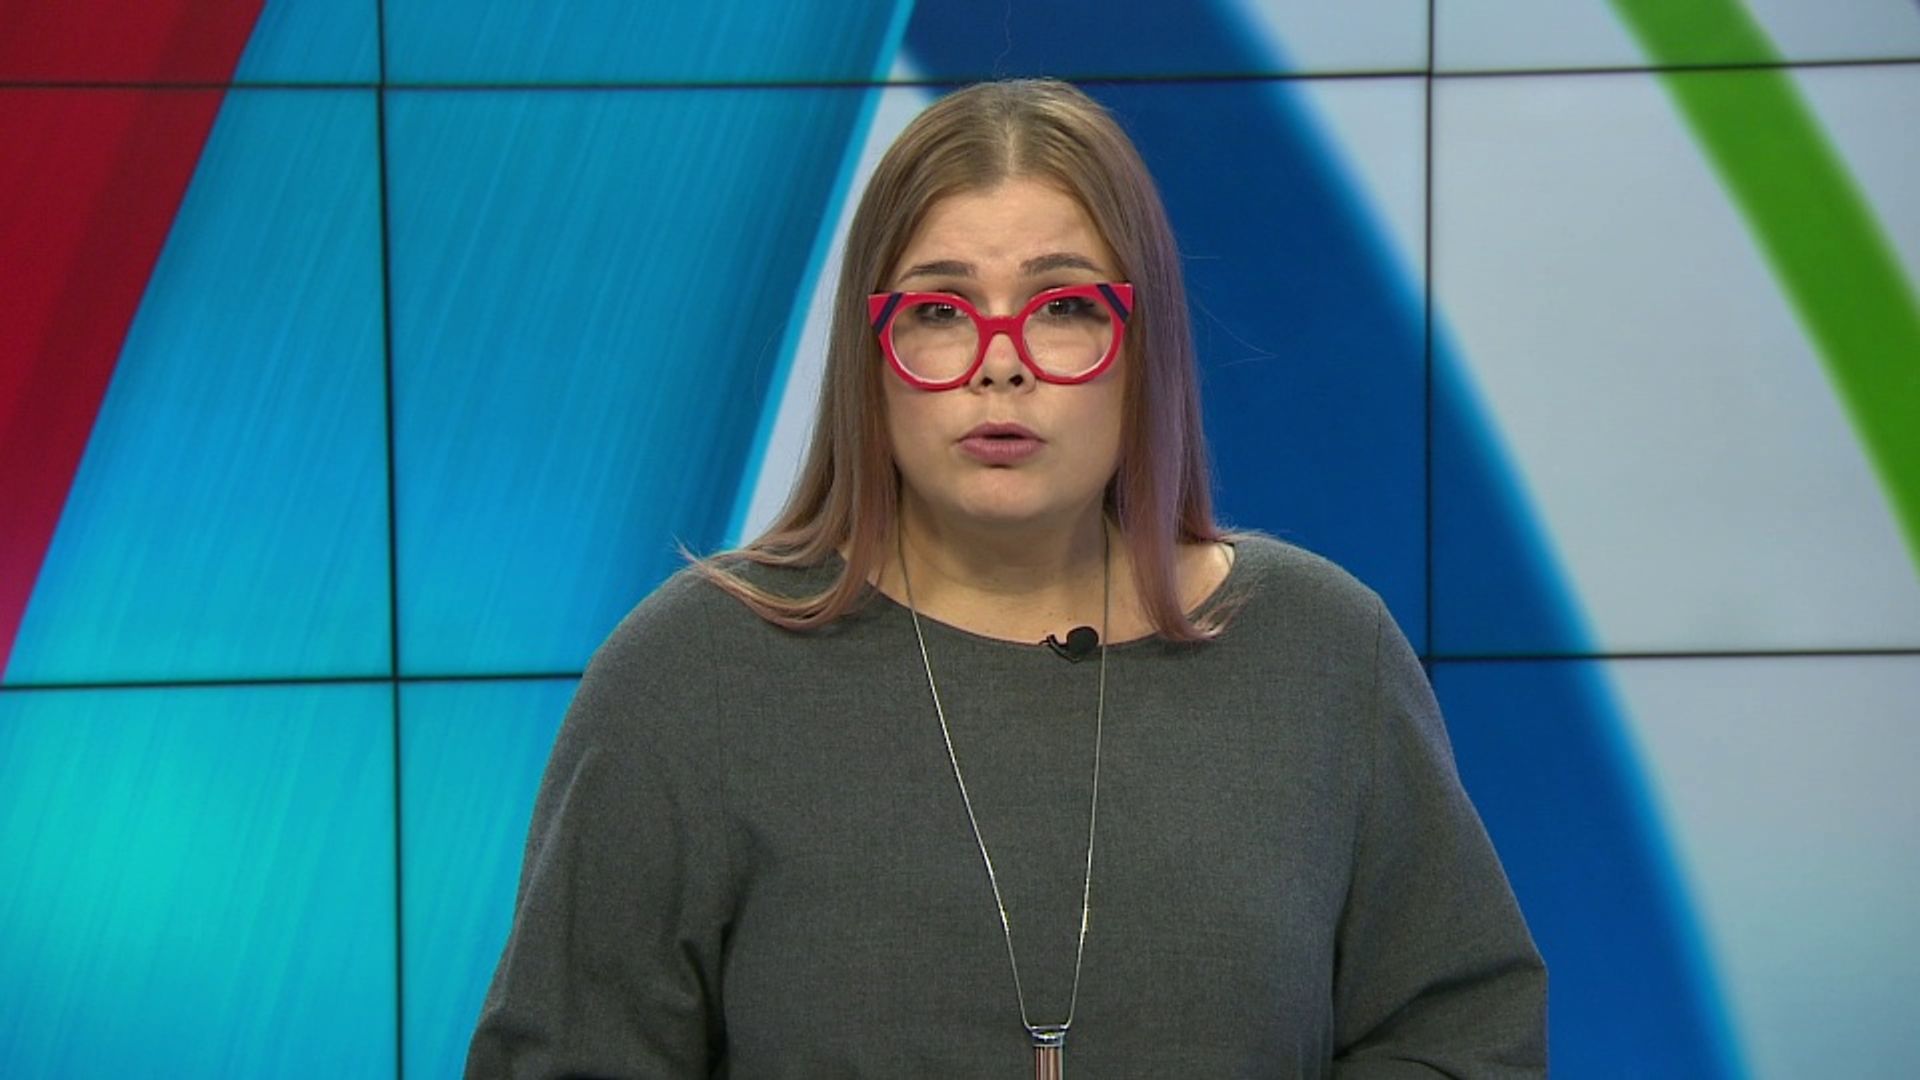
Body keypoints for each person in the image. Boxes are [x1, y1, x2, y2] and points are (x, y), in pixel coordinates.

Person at [467, 79, 1546, 1078]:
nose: (1000, 361)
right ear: (869, 352)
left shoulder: (1323, 651)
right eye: (939, 312)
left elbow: (1464, 1037)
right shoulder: (689, 674)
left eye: (1064, 306)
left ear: (1143, 347)